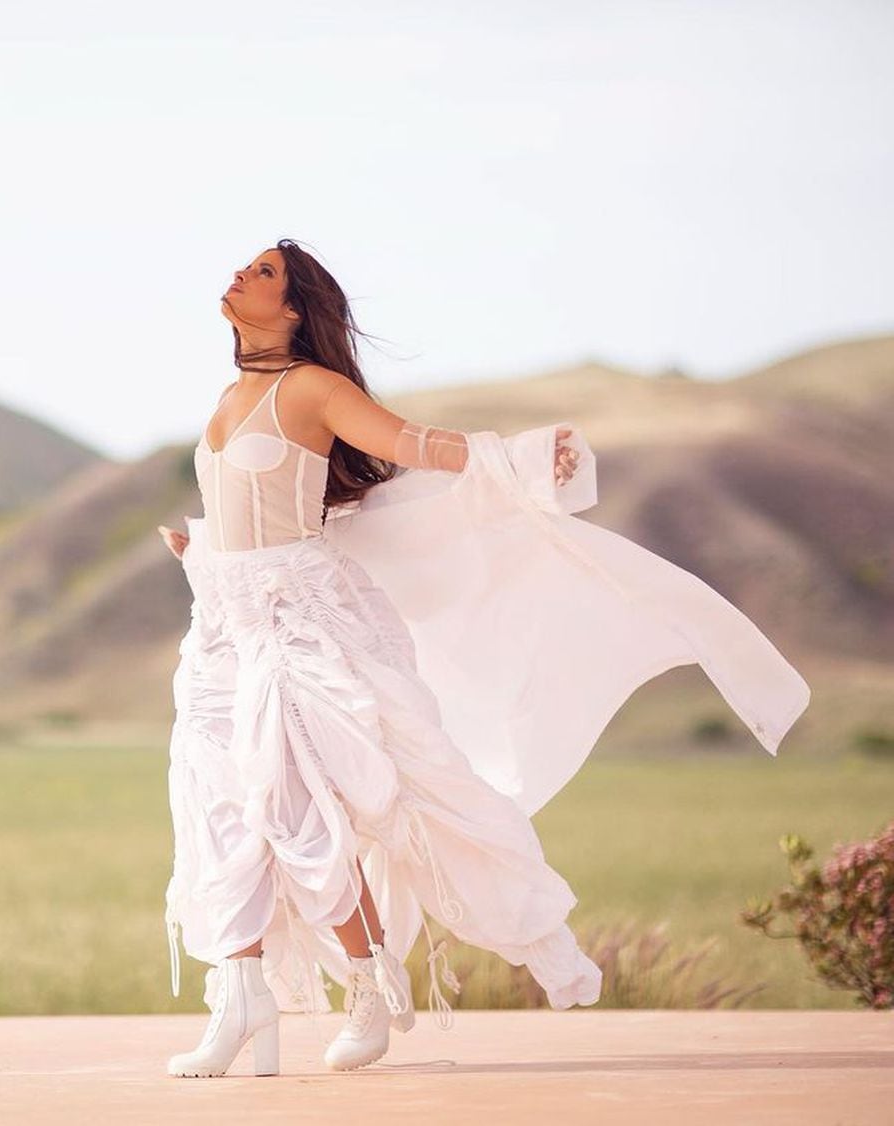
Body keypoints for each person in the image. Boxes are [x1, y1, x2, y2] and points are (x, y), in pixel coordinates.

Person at [156, 239, 810, 1079]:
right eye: (245, 265)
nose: (241, 274)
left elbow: (409, 443)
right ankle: (242, 996)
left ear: (294, 308)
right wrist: (198, 547)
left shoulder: (314, 388)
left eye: (265, 272)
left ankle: (368, 982)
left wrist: (526, 459)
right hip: (223, 620)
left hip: (297, 620)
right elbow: (248, 508)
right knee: (219, 807)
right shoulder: (229, 393)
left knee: (298, 806)